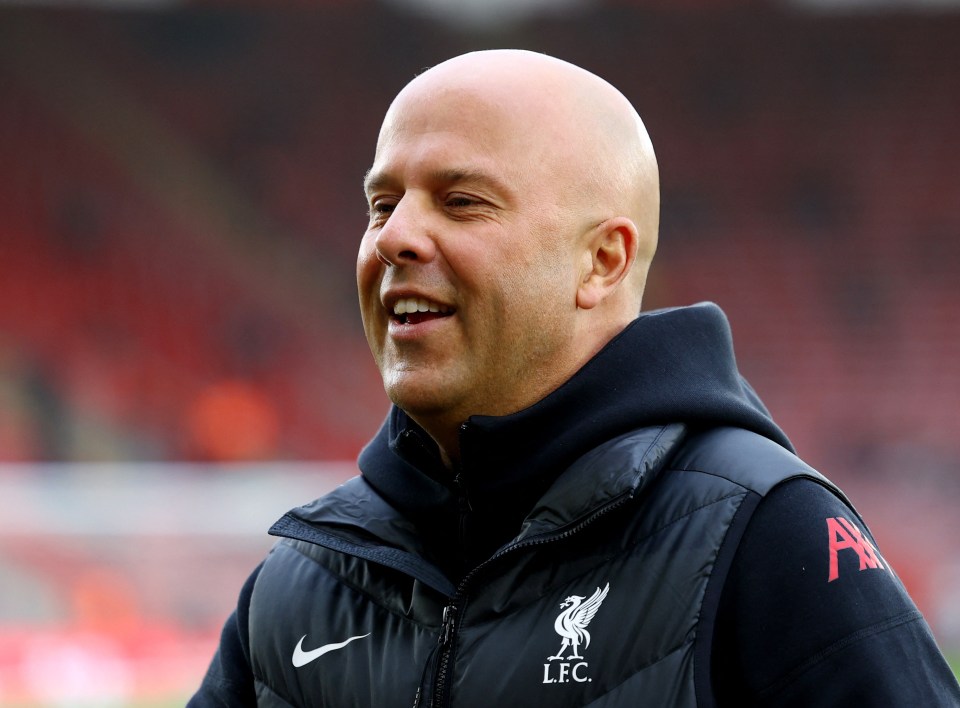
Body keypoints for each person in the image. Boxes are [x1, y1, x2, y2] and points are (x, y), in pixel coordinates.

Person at [189, 49, 960, 707]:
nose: (394, 238)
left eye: (460, 202)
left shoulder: (763, 533)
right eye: (380, 204)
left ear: (603, 261)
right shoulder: (300, 584)